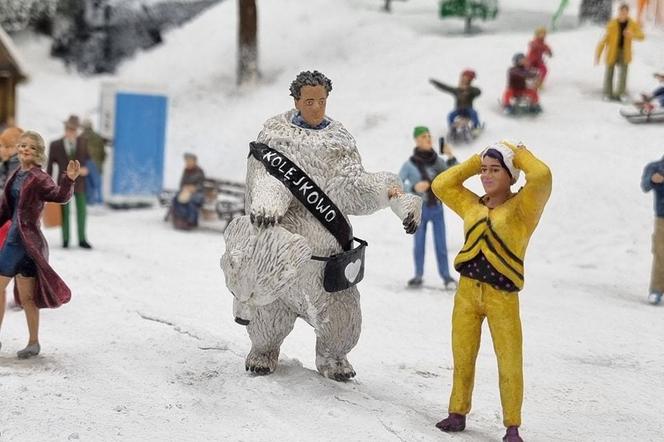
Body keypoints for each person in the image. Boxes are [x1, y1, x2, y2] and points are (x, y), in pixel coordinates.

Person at [221, 70, 422, 380]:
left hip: (327, 264)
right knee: (268, 316)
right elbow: (266, 178)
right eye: (310, 101)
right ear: (297, 101)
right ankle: (264, 348)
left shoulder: (338, 143)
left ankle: (332, 355)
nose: (316, 107)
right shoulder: (275, 140)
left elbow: (353, 187)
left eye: (322, 101)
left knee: (341, 320)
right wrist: (268, 201)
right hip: (283, 262)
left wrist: (392, 195)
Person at [431, 141, 552, 442]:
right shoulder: (471, 204)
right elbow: (441, 184)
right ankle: (457, 411)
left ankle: (512, 424)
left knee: (509, 359)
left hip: (502, 297)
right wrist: (475, 161)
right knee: (462, 354)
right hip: (467, 293)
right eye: (484, 170)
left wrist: (520, 153)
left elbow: (542, 176)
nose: (486, 175)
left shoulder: (523, 209)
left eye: (495, 170)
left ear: (511, 175)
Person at [0, 130, 80, 358]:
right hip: (17, 240)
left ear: (38, 153)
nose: (25, 149)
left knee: (23, 296)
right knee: (24, 297)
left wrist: (69, 179)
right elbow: (6, 209)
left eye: (32, 148)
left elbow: (59, 196)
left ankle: (33, 341)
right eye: (23, 145)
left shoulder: (39, 177)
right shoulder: (16, 175)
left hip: (24, 243)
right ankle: (33, 343)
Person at [399, 126, 458, 289]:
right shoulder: (409, 165)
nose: (429, 139)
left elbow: (454, 175)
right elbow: (397, 185)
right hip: (419, 209)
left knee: (441, 243)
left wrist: (450, 155)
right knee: (419, 243)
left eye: (429, 136)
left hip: (436, 207)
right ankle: (418, 275)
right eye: (425, 137)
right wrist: (413, 188)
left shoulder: (437, 160)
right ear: (417, 140)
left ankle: (446, 277)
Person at [47, 115, 92, 249]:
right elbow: (50, 166)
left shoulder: (84, 142)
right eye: (69, 129)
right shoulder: (55, 145)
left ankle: (82, 239)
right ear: (65, 129)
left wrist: (86, 169)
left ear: (77, 130)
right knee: (64, 212)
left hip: (80, 183)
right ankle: (65, 239)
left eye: (74, 129)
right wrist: (48, 185)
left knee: (82, 211)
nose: (71, 132)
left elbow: (89, 160)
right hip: (63, 183)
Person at [595, 3, 645, 101]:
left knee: (623, 73)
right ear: (618, 12)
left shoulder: (632, 23)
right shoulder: (612, 24)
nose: (623, 14)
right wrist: (598, 55)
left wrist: (632, 34)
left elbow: (642, 36)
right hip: (612, 52)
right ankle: (607, 93)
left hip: (625, 52)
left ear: (628, 13)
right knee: (609, 72)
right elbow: (603, 41)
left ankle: (620, 93)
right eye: (621, 12)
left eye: (625, 12)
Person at [641, 155, 664, 305]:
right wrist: (652, 180)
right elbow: (645, 185)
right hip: (662, 217)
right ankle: (656, 289)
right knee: (660, 252)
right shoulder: (656, 167)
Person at [171, 153, 206, 230]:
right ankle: (180, 219)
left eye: (190, 161)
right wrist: (185, 188)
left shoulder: (199, 171)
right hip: (186, 192)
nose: (188, 163)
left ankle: (191, 221)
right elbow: (182, 184)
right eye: (187, 161)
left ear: (194, 162)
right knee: (176, 198)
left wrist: (194, 188)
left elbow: (201, 185)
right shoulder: (186, 171)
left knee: (191, 201)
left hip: (198, 193)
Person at [81, 119, 106, 205]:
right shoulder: (98, 137)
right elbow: (103, 153)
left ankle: (90, 201)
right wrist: (101, 162)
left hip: (87, 163)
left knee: (89, 183)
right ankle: (99, 201)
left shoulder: (81, 137)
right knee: (98, 183)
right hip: (97, 163)